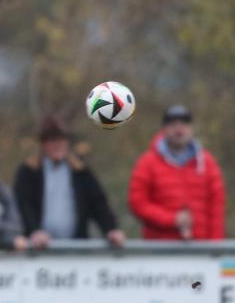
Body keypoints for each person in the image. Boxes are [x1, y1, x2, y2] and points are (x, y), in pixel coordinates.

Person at [14, 117, 125, 249]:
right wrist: (34, 231)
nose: (58, 145)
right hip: (38, 247)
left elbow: (98, 203)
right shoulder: (29, 172)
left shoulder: (81, 171)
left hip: (75, 248)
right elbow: (23, 205)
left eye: (62, 140)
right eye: (52, 140)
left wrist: (111, 229)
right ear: (43, 144)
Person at [129, 105, 225, 240]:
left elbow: (216, 210)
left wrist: (215, 248)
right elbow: (137, 203)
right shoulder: (147, 163)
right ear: (164, 129)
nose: (179, 129)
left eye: (184, 123)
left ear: (191, 128)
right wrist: (172, 219)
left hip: (201, 251)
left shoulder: (208, 163)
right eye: (173, 124)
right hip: (160, 252)